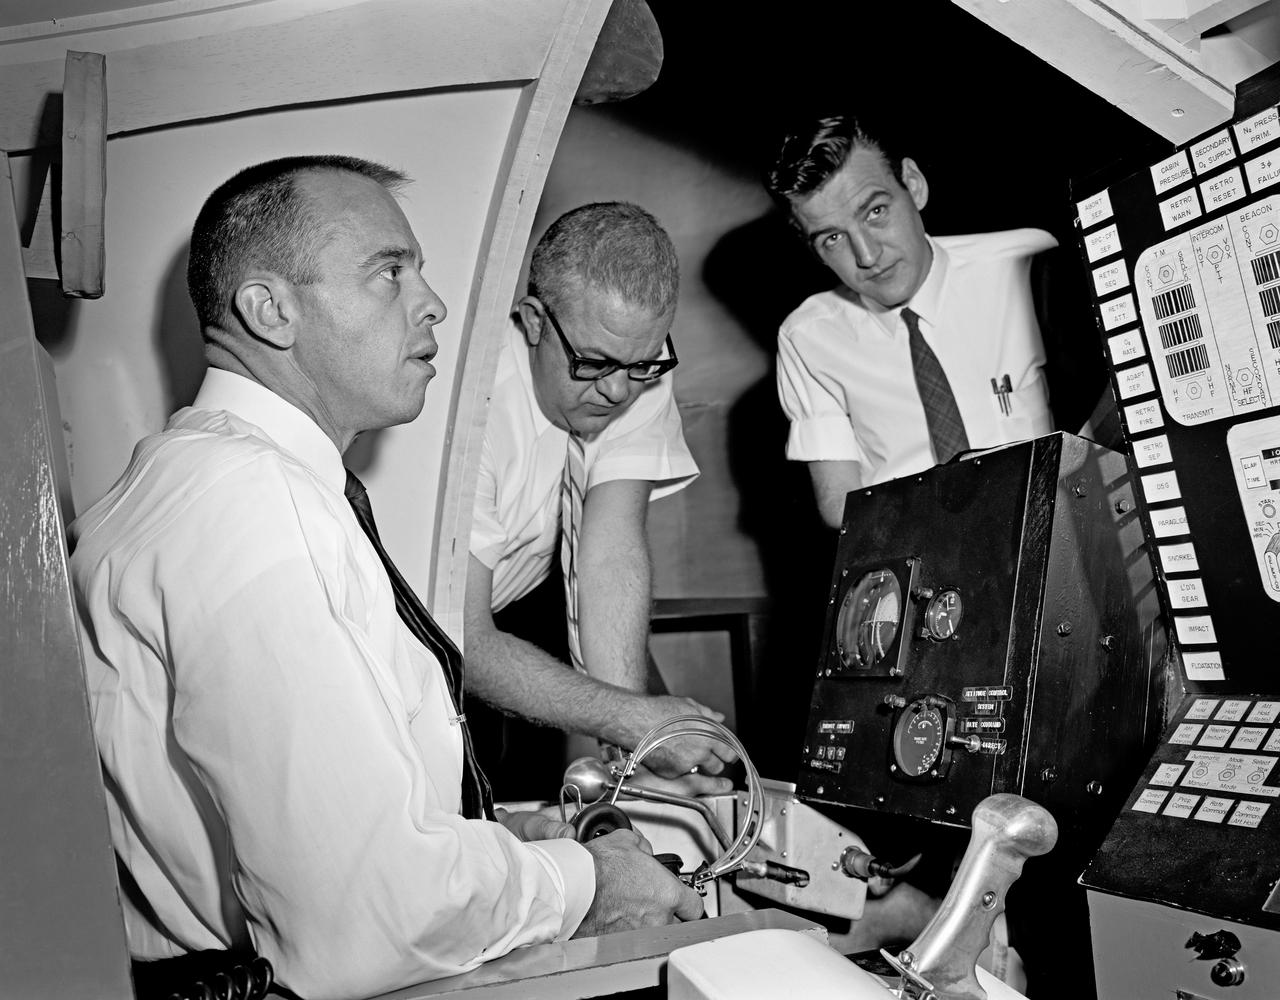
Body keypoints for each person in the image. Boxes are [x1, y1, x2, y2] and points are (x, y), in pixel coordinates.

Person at [70, 156, 704, 1000]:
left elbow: (341, 827)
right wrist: (587, 881)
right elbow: (374, 917)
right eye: (389, 272)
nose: (433, 302)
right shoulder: (256, 511)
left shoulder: (197, 479)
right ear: (269, 310)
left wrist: (502, 846)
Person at [465, 203, 735, 791]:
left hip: (509, 612)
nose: (616, 391)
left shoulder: (634, 369)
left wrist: (633, 760)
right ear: (534, 321)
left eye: (641, 365)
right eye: (594, 363)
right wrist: (634, 722)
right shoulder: (469, 407)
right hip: (403, 640)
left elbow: (610, 555)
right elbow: (462, 636)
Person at [765, 114, 1057, 528]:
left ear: (914, 185)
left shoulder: (1028, 264)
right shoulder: (808, 336)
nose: (867, 255)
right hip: (910, 549)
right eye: (833, 238)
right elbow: (838, 504)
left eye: (876, 211)